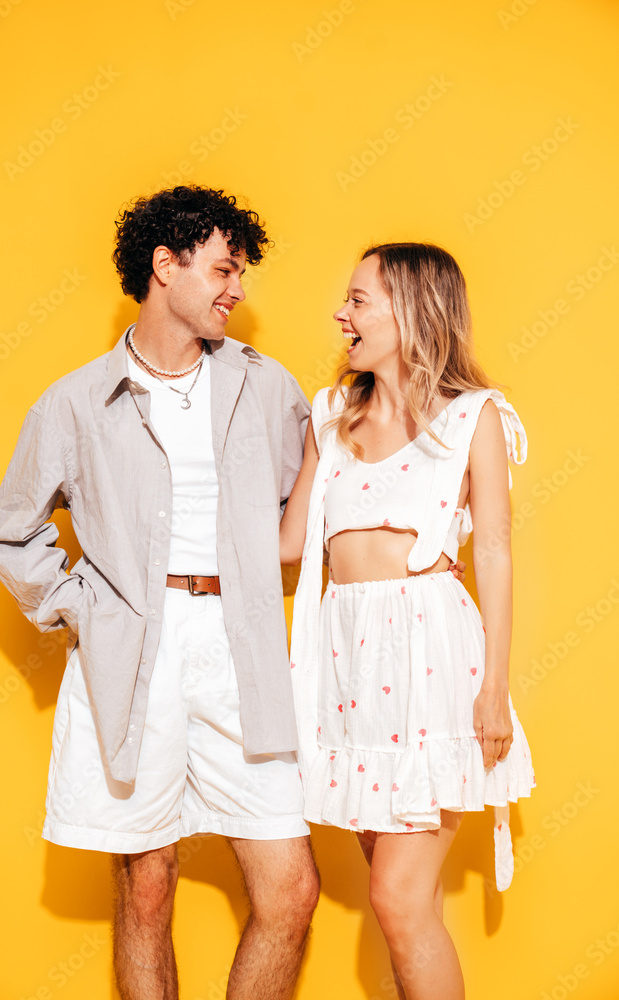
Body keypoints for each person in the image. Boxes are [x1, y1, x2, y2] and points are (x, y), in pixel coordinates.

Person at [0, 185, 321, 1000]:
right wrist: (86, 610)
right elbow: (10, 536)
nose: (237, 289)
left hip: (242, 649)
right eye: (224, 270)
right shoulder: (74, 402)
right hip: (133, 653)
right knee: (146, 884)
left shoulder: (268, 387)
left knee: (290, 890)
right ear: (165, 266)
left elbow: (314, 505)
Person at [280, 242, 536, 999]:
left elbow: (493, 552)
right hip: (347, 664)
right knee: (404, 902)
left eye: (358, 300)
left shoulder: (471, 416)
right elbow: (290, 544)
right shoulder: (331, 416)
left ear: (412, 310)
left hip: (429, 658)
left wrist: (494, 689)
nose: (341, 315)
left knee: (396, 898)